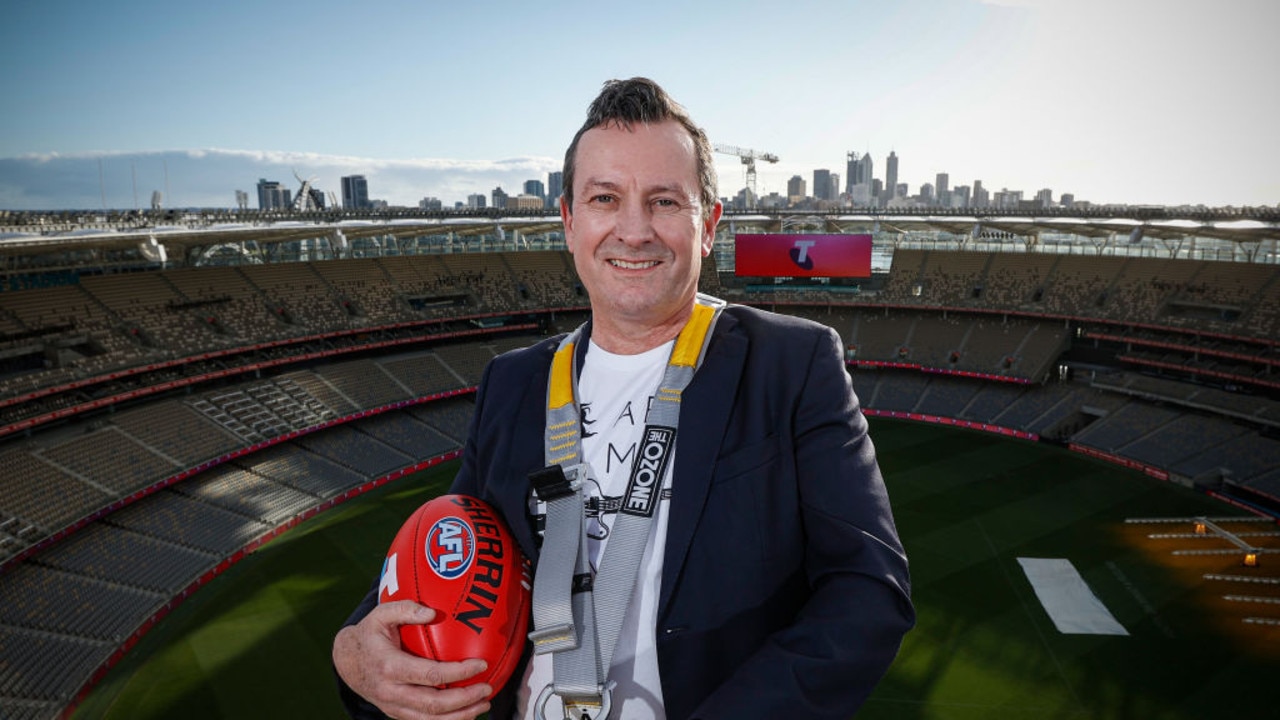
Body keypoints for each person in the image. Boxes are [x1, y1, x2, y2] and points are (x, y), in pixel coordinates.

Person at [333, 77, 914, 720]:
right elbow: (451, 537)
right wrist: (355, 647)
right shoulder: (513, 382)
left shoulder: (791, 362)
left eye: (665, 201)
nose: (634, 231)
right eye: (606, 198)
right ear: (569, 221)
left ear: (709, 224)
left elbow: (868, 591)